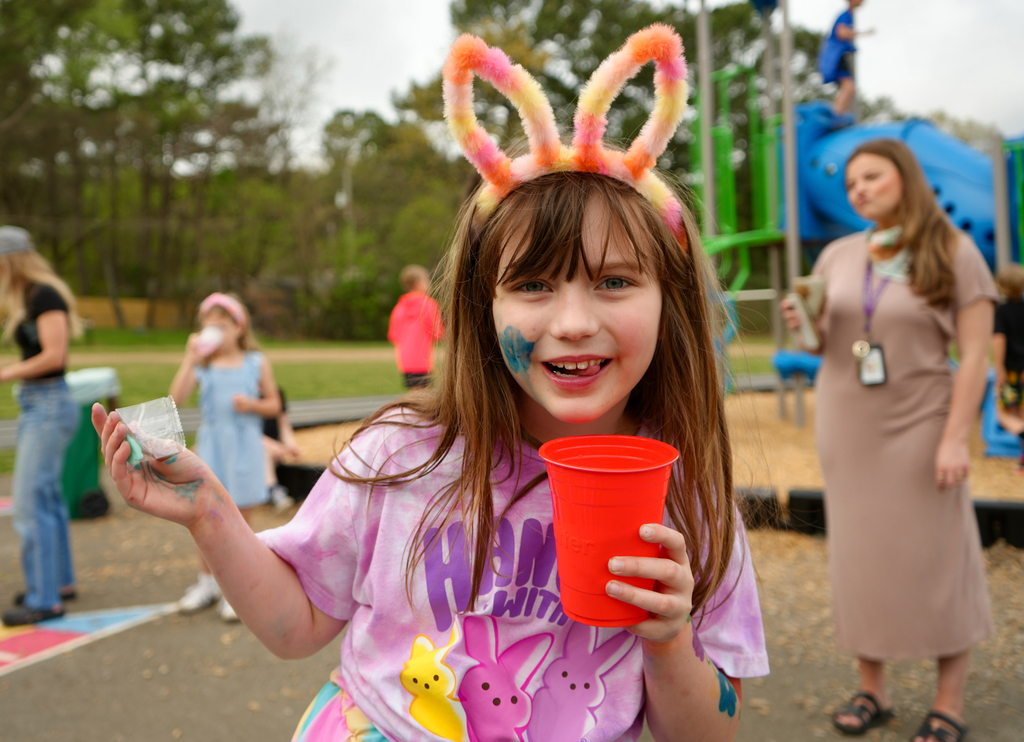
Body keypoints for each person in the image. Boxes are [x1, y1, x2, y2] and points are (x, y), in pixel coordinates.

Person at [91, 25, 768, 741]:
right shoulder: (399, 457)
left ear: (671, 299)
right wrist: (209, 513)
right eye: (533, 284)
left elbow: (708, 733)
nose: (572, 321)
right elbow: (295, 627)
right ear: (484, 307)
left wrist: (667, 640)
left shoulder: (690, 499)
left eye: (616, 281)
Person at [782, 139, 994, 742]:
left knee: (940, 556)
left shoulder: (955, 250)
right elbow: (819, 348)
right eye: (851, 184)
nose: (859, 190)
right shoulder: (839, 255)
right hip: (848, 427)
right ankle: (872, 688)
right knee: (860, 557)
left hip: (924, 423)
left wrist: (957, 439)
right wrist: (807, 326)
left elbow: (976, 355)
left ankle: (948, 700)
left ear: (905, 177)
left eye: (871, 176)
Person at [168, 292, 281, 621]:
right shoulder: (203, 365)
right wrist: (189, 358)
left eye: (220, 324)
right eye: (207, 325)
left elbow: (274, 404)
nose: (213, 331)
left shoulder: (255, 362)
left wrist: (253, 405)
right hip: (213, 448)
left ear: (238, 327)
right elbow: (176, 399)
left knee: (241, 522)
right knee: (205, 516)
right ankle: (208, 584)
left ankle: (239, 589)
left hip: (244, 449)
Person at [0, 226, 83, 627]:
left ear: (9, 260)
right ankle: (58, 583)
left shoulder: (43, 295)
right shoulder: (24, 297)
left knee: (30, 504)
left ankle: (44, 598)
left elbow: (55, 355)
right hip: (39, 403)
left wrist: (7, 372)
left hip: (49, 403)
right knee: (47, 498)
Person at [387, 264, 444, 388]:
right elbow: (439, 333)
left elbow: (393, 336)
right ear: (418, 283)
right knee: (424, 399)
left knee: (414, 395)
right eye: (426, 280)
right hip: (423, 360)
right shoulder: (428, 305)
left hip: (405, 360)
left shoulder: (399, 307)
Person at [817, 0, 875, 118]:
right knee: (849, 87)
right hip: (836, 56)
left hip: (837, 55)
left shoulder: (849, 15)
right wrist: (862, 33)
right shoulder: (846, 15)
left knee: (849, 88)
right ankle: (837, 116)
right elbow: (841, 33)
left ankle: (840, 115)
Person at [992, 263, 1024, 469]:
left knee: (1003, 413)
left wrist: (999, 368)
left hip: (1012, 371)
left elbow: (999, 340)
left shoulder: (1001, 312)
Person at [263, 385, 301, 510]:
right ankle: (273, 489)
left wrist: (291, 445)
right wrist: (272, 445)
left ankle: (270, 488)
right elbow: (245, 433)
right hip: (253, 446)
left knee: (269, 453)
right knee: (264, 451)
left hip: (272, 447)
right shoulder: (245, 396)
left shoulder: (276, 393)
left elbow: (283, 424)